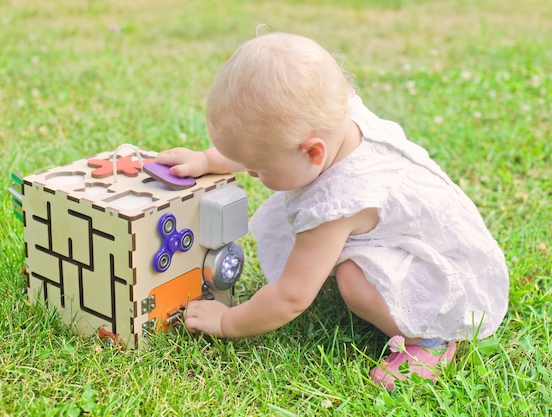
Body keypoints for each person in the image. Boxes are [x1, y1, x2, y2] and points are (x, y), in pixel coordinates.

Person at [155, 32, 509, 389]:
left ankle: (430, 340)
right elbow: (266, 139)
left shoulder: (336, 206)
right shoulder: (332, 116)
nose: (250, 174)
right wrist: (207, 160)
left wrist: (226, 322)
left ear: (313, 153)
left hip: (443, 267)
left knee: (353, 280)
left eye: (257, 169)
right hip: (414, 234)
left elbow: (291, 297)